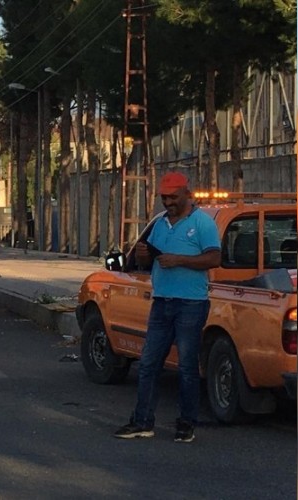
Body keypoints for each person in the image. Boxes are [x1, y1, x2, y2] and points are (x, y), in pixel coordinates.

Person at [114, 172, 221, 443]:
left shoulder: (202, 223)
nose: (168, 202)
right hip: (162, 301)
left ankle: (186, 424)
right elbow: (157, 259)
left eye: (173, 197)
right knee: (149, 363)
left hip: (190, 304)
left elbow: (214, 258)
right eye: (164, 197)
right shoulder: (161, 224)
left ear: (188, 194)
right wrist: (144, 257)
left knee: (186, 366)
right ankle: (142, 422)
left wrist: (181, 260)